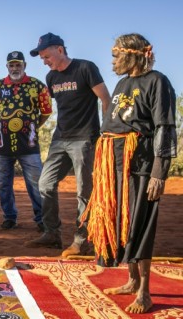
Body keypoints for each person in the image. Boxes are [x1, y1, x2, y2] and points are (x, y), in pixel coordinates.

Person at [81, 33, 177, 314]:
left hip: (140, 163)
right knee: (121, 221)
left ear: (133, 54)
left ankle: (145, 293)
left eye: (115, 56)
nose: (112, 62)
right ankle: (132, 281)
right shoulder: (123, 83)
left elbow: (165, 127)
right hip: (113, 163)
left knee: (140, 224)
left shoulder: (157, 81)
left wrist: (159, 172)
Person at [25, 33, 111, 257]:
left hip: (85, 138)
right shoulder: (51, 77)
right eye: (42, 58)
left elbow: (105, 99)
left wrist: (106, 132)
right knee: (45, 184)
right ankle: (52, 233)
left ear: (60, 50)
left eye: (46, 56)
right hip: (60, 139)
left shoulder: (86, 68)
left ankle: (82, 240)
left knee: (84, 191)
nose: (44, 61)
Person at [0, 51, 52, 231]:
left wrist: (31, 126)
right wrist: (6, 127)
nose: (15, 68)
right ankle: (9, 218)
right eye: (11, 65)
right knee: (4, 184)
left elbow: (46, 112)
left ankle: (41, 220)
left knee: (36, 183)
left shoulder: (37, 85)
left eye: (18, 65)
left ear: (25, 66)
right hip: (2, 145)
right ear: (7, 66)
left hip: (29, 145)